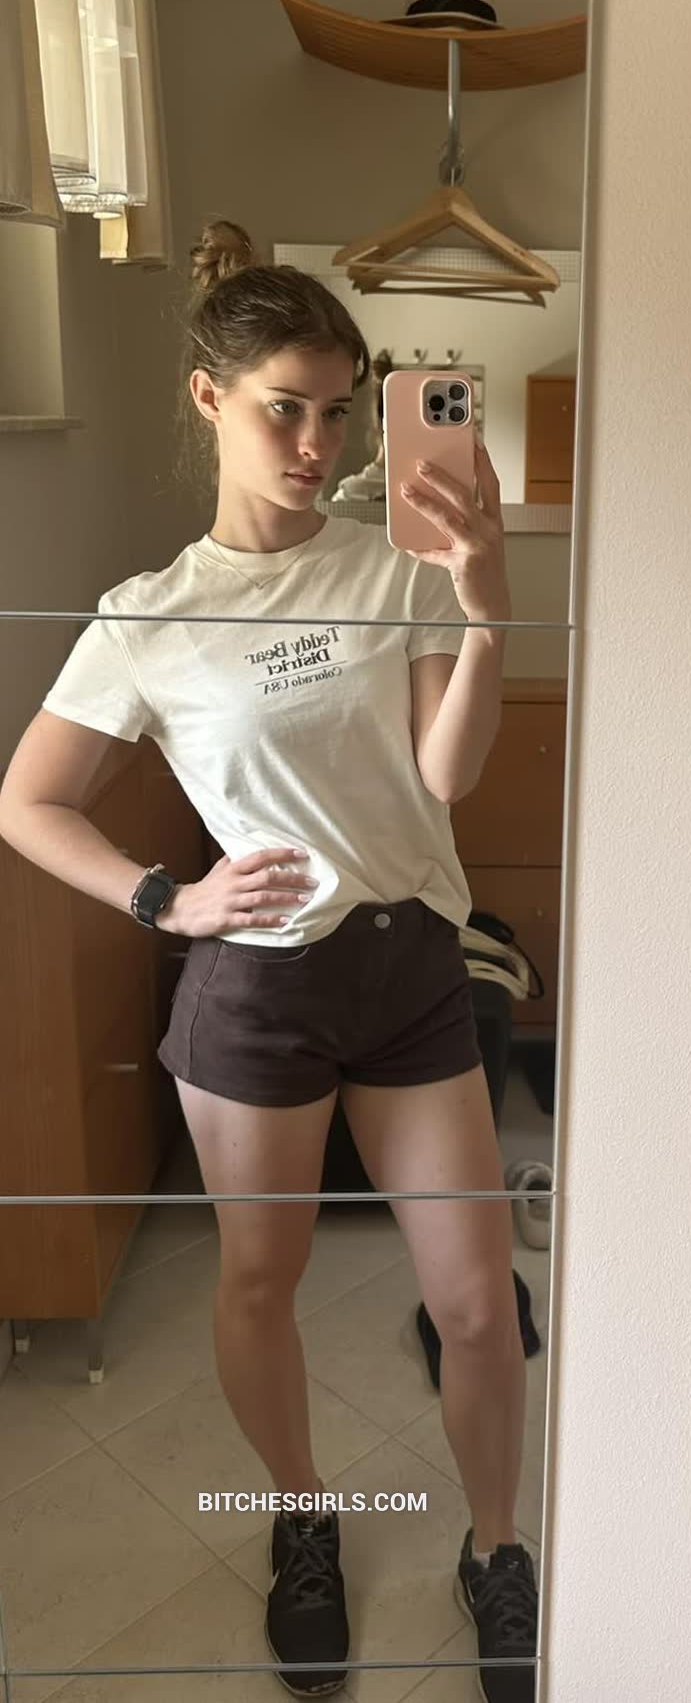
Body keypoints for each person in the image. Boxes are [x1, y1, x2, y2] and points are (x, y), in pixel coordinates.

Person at [0, 220, 538, 1701]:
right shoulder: (148, 618)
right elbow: (27, 804)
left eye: (338, 412)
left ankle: (498, 1545)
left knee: (475, 1299)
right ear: (208, 398)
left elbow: (442, 780)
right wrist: (165, 901)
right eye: (283, 408)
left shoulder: (400, 568)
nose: (315, 445)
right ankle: (303, 1519)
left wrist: (486, 608)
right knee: (260, 1280)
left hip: (409, 967)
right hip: (259, 990)